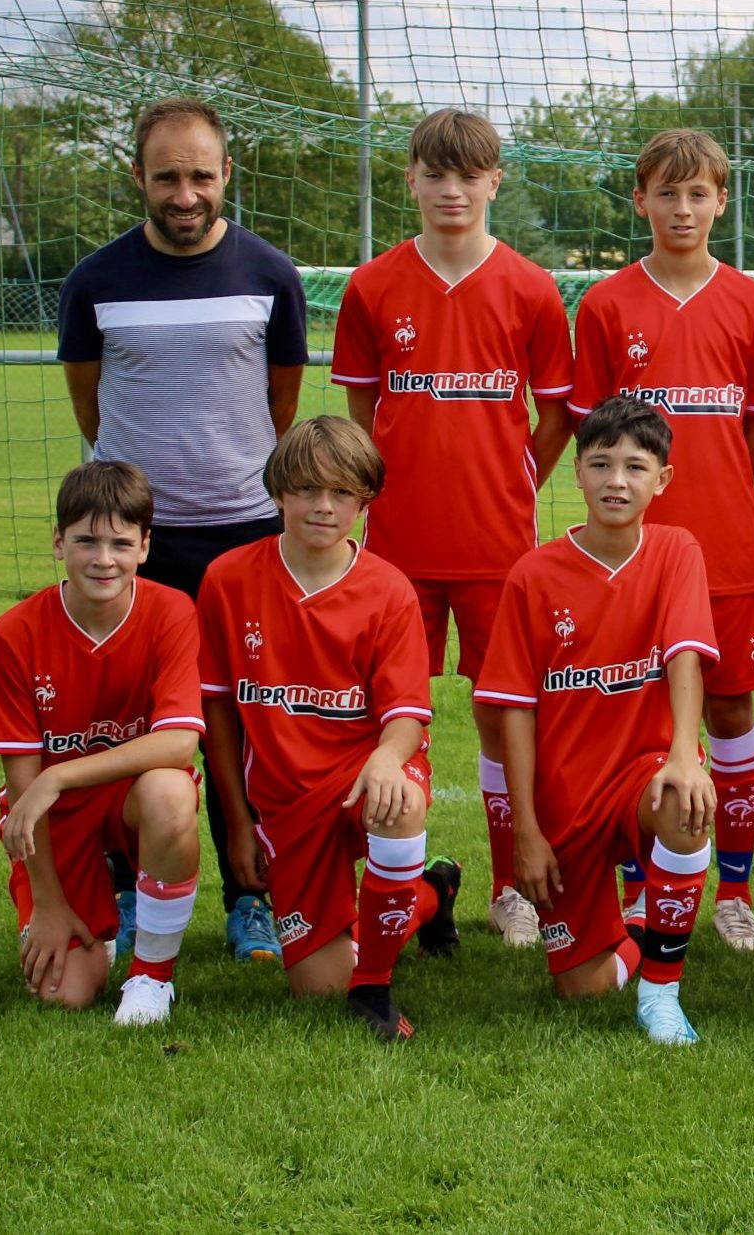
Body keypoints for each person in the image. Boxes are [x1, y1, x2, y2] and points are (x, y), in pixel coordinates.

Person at [58, 95, 307, 965]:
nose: (185, 191)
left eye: (201, 174)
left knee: (250, 717)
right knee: (130, 720)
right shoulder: (94, 281)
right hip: (137, 543)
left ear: (227, 173)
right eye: (167, 175)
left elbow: (281, 407)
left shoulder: (271, 274)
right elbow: (92, 406)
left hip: (244, 533)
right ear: (138, 176)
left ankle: (253, 897)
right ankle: (128, 892)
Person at [331, 108, 574, 954]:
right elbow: (361, 422)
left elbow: (558, 414)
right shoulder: (372, 286)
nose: (451, 190)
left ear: (494, 182)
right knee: (385, 714)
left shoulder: (532, 288)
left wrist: (519, 478)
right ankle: (390, 876)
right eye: (435, 174)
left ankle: (511, 885)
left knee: (505, 713)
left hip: (498, 548)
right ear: (411, 180)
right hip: (392, 552)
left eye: (468, 175)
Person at [570, 129, 754, 954]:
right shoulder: (605, 304)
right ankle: (641, 885)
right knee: (636, 710)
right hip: (628, 555)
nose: (683, 208)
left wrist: (715, 484)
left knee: (730, 707)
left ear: (722, 201)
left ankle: (733, 892)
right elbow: (596, 432)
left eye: (699, 193)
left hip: (724, 547)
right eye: (667, 192)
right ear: (641, 202)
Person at [196, 417, 462, 1042]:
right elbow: (218, 718)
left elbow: (406, 715)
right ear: (278, 490)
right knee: (317, 985)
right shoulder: (228, 581)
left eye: (342, 493)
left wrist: (387, 760)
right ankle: (431, 893)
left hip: (366, 774)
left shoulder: (388, 590)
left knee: (396, 806)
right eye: (308, 488)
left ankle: (374, 987)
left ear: (364, 500)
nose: (323, 506)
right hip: (286, 801)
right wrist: (238, 826)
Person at [475, 396, 721, 1045]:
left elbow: (684, 656)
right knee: (580, 989)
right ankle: (642, 928)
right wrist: (525, 829)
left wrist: (685, 754)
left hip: (642, 774)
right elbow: (515, 713)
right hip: (567, 800)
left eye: (636, 467)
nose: (617, 480)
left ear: (662, 479)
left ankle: (661, 992)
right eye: (601, 463)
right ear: (576, 472)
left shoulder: (676, 550)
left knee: (685, 800)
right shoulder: (533, 575)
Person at [0, 459, 204, 1026]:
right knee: (66, 993)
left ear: (145, 547)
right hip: (58, 818)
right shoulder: (15, 633)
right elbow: (25, 789)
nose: (104, 559)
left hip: (126, 796)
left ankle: (152, 976)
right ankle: (91, 925)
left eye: (121, 543)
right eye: (86, 541)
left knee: (171, 794)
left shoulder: (172, 611)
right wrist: (50, 905)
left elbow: (178, 744)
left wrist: (62, 773)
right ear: (58, 542)